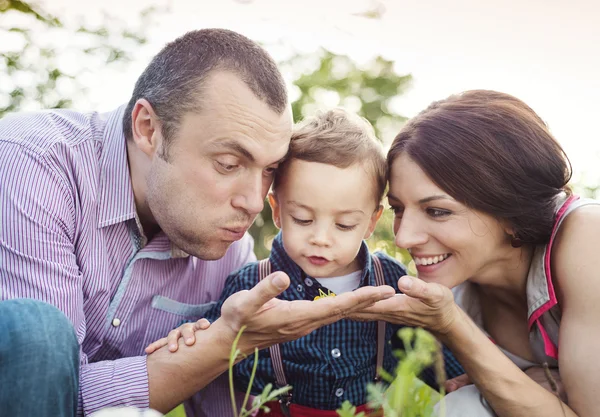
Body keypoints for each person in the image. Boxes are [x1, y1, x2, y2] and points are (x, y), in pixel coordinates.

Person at [0, 29, 396, 417]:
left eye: (268, 170)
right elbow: (43, 383)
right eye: (228, 164)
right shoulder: (32, 166)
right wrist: (222, 342)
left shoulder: (230, 252)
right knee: (37, 328)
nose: (254, 202)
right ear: (148, 129)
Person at [147, 109, 465, 416]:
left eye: (344, 225)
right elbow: (222, 354)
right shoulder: (253, 284)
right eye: (302, 219)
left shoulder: (389, 281)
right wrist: (193, 337)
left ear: (370, 222)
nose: (321, 238)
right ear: (277, 210)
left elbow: (426, 351)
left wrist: (459, 379)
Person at [350, 90, 600, 417]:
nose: (403, 237)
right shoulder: (452, 283)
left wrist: (453, 326)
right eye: (397, 208)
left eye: (437, 211)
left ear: (510, 212)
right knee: (463, 406)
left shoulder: (586, 236)